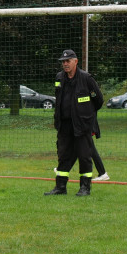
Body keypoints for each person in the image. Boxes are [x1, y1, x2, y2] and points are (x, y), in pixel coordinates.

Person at [45, 48, 103, 196]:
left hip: (82, 125)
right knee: (63, 155)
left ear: (75, 61)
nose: (65, 64)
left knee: (84, 156)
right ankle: (60, 187)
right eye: (63, 62)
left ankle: (85, 187)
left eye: (68, 61)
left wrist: (86, 115)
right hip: (64, 125)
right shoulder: (59, 78)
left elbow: (99, 100)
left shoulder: (86, 78)